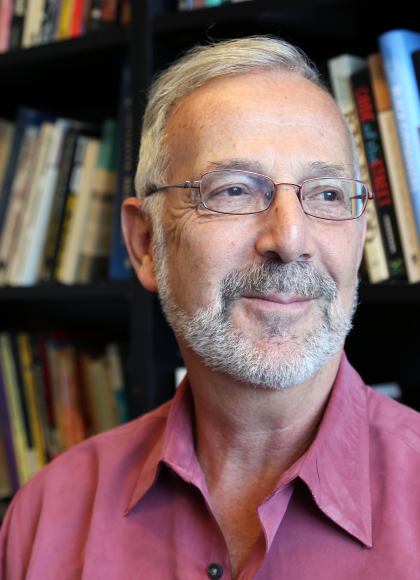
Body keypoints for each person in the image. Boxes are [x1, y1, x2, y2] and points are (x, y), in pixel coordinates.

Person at [1, 36, 420, 580]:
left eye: (327, 194)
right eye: (234, 191)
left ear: (360, 235)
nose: (290, 239)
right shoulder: (44, 521)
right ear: (145, 244)